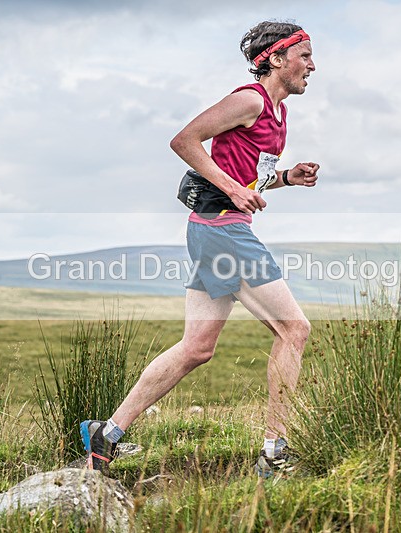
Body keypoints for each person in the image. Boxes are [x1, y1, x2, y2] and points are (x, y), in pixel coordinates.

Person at [80, 20, 319, 478]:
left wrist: (286, 178)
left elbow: (247, 176)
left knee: (196, 348)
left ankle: (106, 433)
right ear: (275, 59)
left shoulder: (278, 114)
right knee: (294, 330)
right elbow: (183, 140)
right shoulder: (249, 100)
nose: (313, 65)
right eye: (304, 56)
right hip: (223, 230)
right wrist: (231, 188)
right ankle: (275, 452)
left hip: (213, 228)